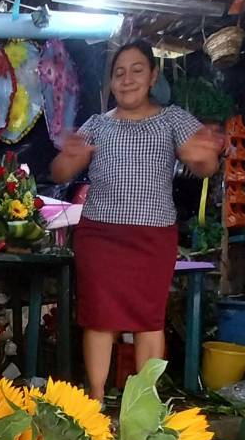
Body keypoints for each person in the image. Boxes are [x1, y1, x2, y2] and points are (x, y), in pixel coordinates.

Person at [51, 38, 223, 402]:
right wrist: (69, 156)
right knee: (99, 319)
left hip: (152, 237)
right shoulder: (96, 124)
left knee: (149, 320)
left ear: (153, 76)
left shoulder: (173, 118)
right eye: (119, 73)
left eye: (136, 71)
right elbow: (61, 171)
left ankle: (143, 403)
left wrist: (204, 156)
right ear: (110, 82)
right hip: (100, 236)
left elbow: (206, 165)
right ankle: (95, 401)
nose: (127, 80)